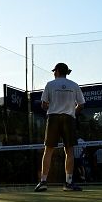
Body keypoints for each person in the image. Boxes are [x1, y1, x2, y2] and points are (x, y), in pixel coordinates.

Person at [35, 62, 85, 192]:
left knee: (48, 150)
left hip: (53, 118)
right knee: (69, 151)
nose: (53, 73)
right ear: (66, 72)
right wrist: (71, 112)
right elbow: (81, 104)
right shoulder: (74, 85)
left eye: (54, 71)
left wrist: (51, 107)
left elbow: (44, 104)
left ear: (57, 71)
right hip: (69, 118)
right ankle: (68, 183)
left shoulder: (50, 84)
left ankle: (43, 182)